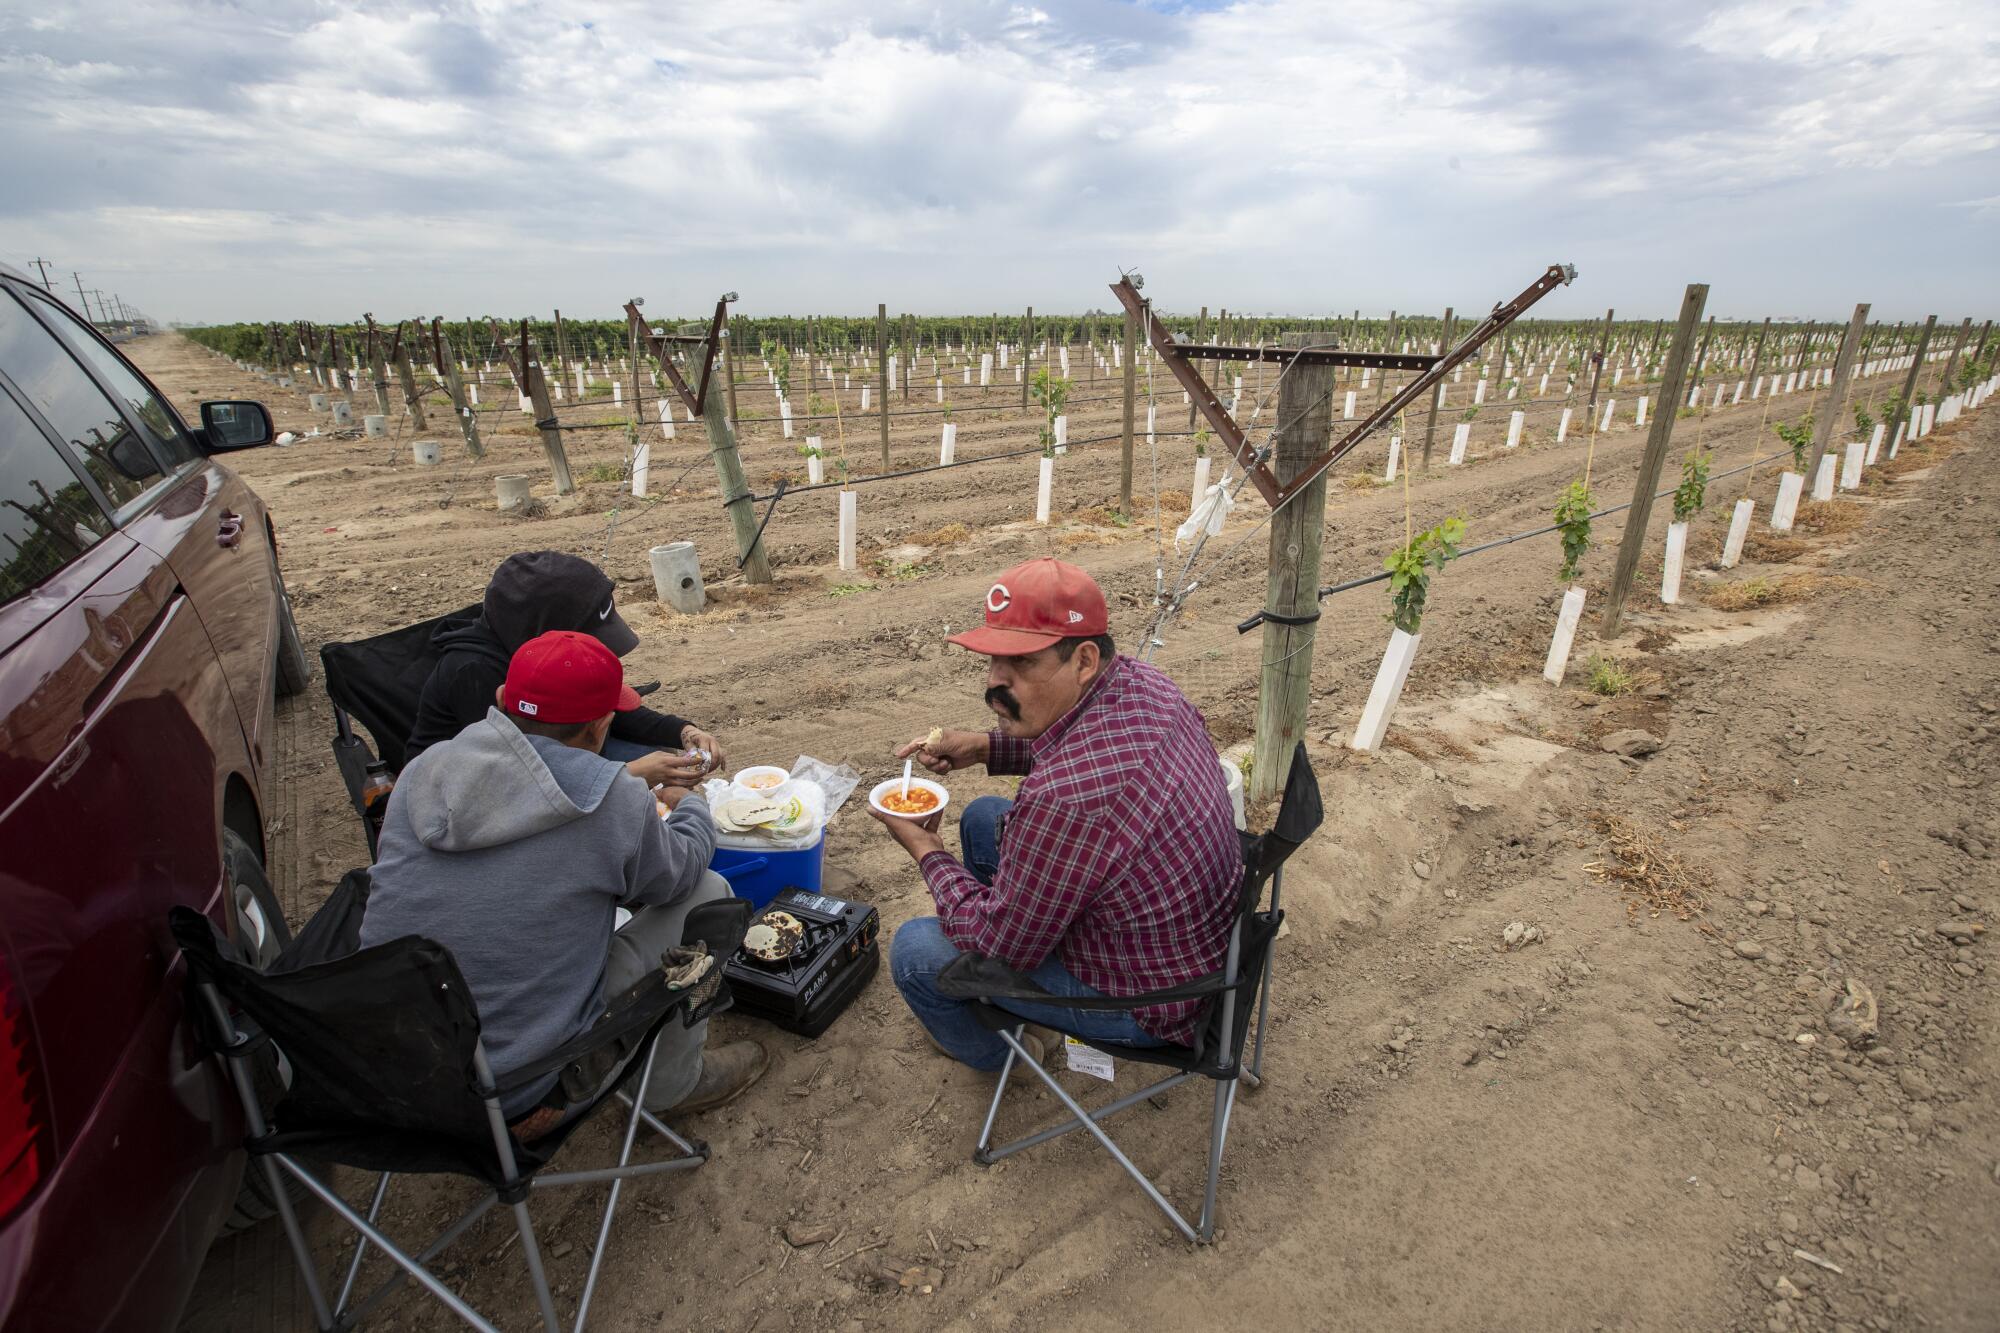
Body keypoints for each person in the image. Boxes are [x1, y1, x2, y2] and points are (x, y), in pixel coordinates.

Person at [360, 629, 768, 1125]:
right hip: (516, 1088)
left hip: (388, 1072)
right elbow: (676, 875)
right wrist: (691, 809)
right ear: (600, 728)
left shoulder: (424, 769)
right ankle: (674, 1086)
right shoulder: (612, 800)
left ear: (502, 700)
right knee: (705, 894)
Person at [871, 557, 1242, 1072]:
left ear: (1084, 660)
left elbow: (995, 945)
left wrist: (925, 849)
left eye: (1020, 664)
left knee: (914, 949)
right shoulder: (1141, 684)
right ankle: (1015, 997)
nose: (993, 685)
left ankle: (1003, 1059)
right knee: (982, 816)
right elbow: (1077, 745)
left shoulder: (1065, 799)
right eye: (992, 661)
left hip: (1145, 1001)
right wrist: (981, 749)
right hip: (1195, 943)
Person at [405, 550, 724, 791]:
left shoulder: (533, 648)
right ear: (544, 627)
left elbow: (604, 708)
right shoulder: (473, 672)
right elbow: (520, 786)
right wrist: (629, 776)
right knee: (646, 774)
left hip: (549, 754)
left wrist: (683, 730)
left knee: (660, 756)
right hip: (476, 791)